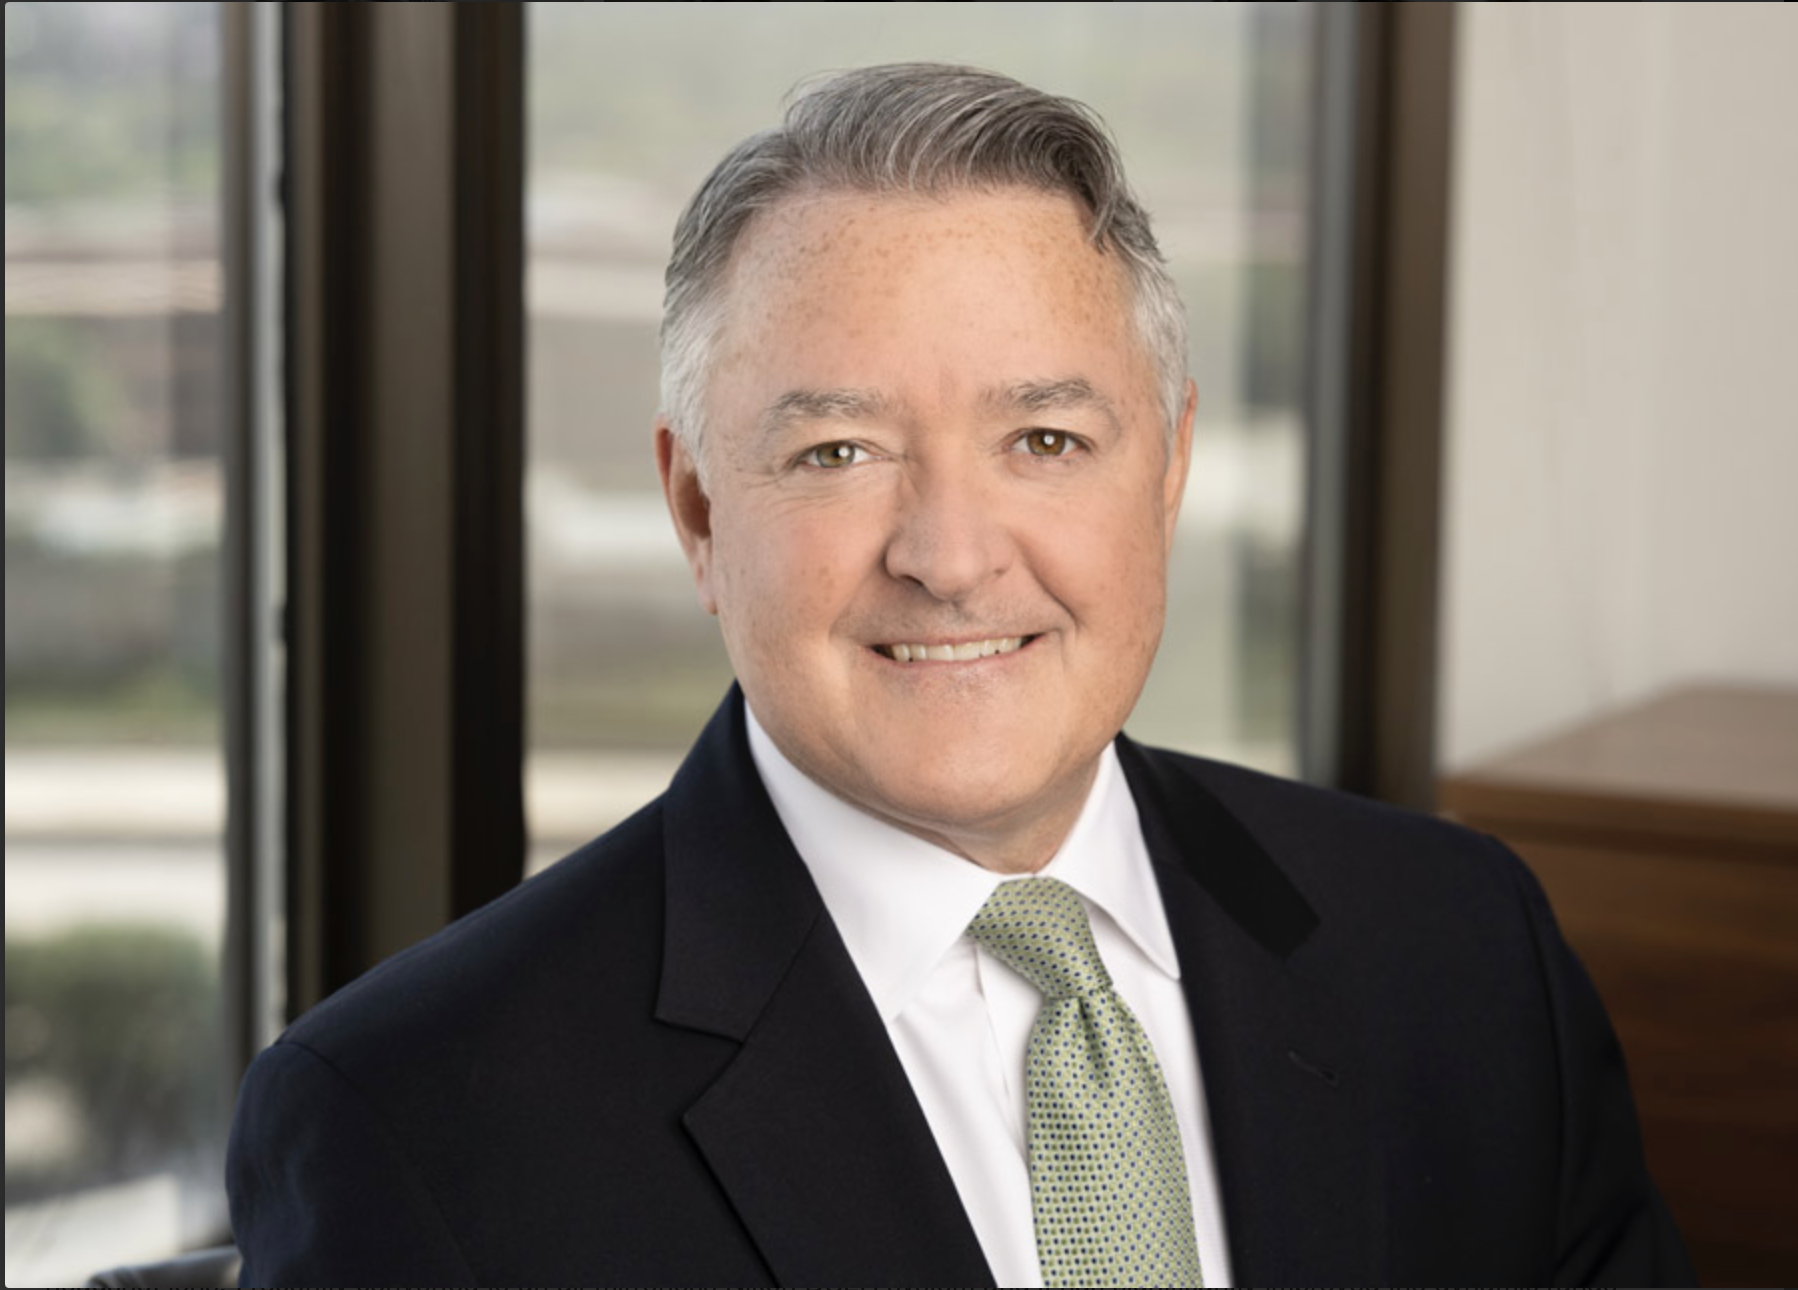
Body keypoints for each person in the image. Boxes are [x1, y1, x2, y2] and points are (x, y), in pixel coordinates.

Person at [227, 64, 1692, 1286]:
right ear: (697, 510)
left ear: (1167, 464)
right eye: (837, 453)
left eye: (1044, 440)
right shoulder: (417, 1116)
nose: (946, 554)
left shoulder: (1457, 946)